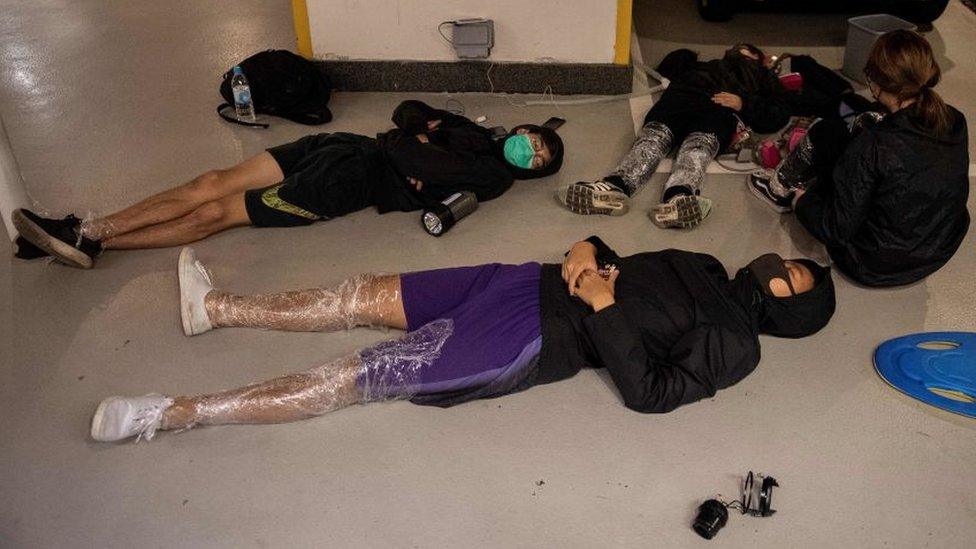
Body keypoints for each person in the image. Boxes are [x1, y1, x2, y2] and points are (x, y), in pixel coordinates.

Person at [90, 236, 835, 442]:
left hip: (532, 338)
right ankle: (217, 307)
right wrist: (586, 248)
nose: (781, 267)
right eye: (792, 263)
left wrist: (603, 305)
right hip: (523, 279)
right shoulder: (705, 262)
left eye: (793, 279)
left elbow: (650, 391)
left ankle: (170, 413)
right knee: (365, 293)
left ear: (790, 312)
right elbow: (622, 264)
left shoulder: (740, 345)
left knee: (350, 375)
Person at [12, 100, 564, 269]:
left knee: (219, 212)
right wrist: (417, 133)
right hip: (342, 146)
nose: (530, 149)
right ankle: (85, 228)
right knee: (212, 180)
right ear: (524, 128)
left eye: (537, 158)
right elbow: (407, 109)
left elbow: (415, 147)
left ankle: (96, 241)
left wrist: (417, 141)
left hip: (347, 186)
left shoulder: (492, 177)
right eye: (535, 139)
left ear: (530, 170)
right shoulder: (474, 129)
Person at [750, 30, 969, 287]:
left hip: (872, 264)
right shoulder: (954, 119)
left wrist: (804, 202)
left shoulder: (873, 146)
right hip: (936, 250)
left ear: (876, 82)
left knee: (826, 131)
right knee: (850, 107)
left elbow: (835, 229)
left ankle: (780, 189)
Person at [556, 44, 788, 229]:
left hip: (717, 107)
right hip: (687, 100)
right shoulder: (705, 65)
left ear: (758, 58)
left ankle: (676, 197)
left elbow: (777, 114)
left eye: (747, 50)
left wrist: (744, 103)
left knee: (690, 149)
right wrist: (689, 56)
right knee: (659, 142)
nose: (739, 50)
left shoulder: (762, 78)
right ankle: (619, 188)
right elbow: (669, 66)